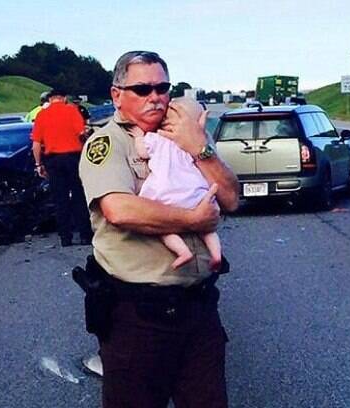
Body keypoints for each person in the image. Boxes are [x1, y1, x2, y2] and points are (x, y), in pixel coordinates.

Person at [78, 51, 239, 407]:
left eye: (162, 87)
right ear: (117, 94)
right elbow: (119, 209)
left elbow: (231, 198)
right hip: (139, 317)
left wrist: (200, 148)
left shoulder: (185, 134)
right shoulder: (109, 143)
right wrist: (193, 221)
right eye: (142, 88)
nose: (155, 97)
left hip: (198, 309)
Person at [132, 96, 221, 271]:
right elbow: (200, 130)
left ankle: (182, 252)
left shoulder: (157, 138)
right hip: (195, 192)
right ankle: (217, 254)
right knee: (207, 228)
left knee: (163, 228)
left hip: (165, 192)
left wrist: (137, 137)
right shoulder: (194, 139)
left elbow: (142, 152)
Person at [31, 88, 93, 247]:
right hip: (74, 158)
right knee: (79, 197)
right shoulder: (72, 111)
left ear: (50, 99)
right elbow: (83, 134)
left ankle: (65, 238)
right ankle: (85, 235)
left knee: (60, 200)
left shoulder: (41, 115)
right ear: (64, 98)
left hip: (53, 161)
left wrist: (39, 164)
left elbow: (36, 144)